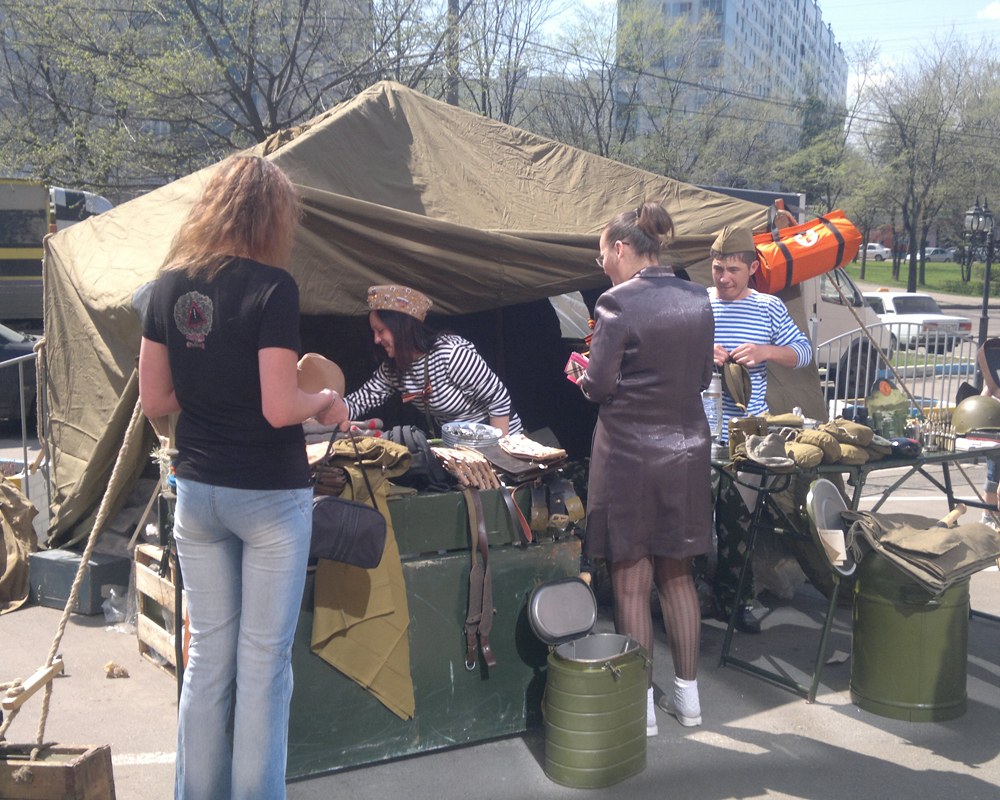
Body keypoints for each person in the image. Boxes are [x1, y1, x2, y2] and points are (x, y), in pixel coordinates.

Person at [138, 155, 349, 800]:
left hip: (198, 493)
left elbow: (155, 400)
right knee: (263, 667)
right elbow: (280, 408)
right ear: (272, 217)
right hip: (269, 498)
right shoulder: (273, 287)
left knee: (207, 660)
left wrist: (211, 385)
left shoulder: (167, 286)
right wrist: (324, 400)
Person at [578, 201, 714, 734]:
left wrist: (583, 373)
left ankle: (642, 710)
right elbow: (702, 377)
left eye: (602, 256)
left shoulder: (616, 302)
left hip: (630, 456)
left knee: (631, 580)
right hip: (687, 451)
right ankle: (689, 700)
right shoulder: (697, 297)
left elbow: (598, 386)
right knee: (678, 577)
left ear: (620, 248)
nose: (602, 266)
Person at [709, 225, 812, 634]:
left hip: (746, 437)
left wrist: (766, 350)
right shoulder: (700, 304)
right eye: (717, 269)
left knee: (738, 524)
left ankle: (735, 602)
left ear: (752, 268)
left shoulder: (768, 307)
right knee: (692, 523)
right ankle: (689, 597)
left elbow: (803, 352)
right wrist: (701, 352)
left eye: (733, 270)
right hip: (699, 431)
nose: (724, 278)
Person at [344, 284, 522, 435]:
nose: (376, 339)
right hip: (459, 443)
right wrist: (330, 403)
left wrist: (499, 452)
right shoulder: (393, 368)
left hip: (499, 436)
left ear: (404, 326)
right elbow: (360, 401)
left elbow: (498, 399)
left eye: (381, 331)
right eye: (374, 332)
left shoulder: (452, 355)